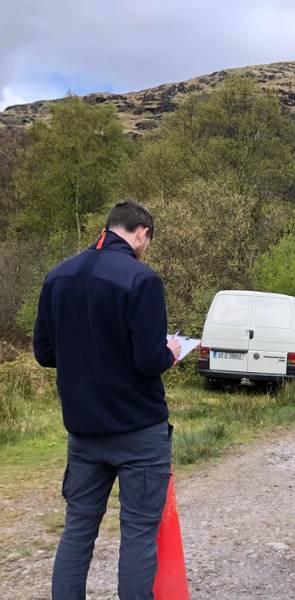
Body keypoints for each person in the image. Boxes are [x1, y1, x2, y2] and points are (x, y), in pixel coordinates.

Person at [33, 200, 182, 600]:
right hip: (138, 429)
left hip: (84, 429)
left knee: (78, 528)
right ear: (141, 233)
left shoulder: (58, 276)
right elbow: (149, 360)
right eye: (148, 241)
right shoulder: (142, 279)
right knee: (138, 532)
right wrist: (170, 352)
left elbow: (44, 353)